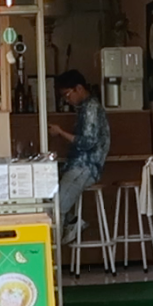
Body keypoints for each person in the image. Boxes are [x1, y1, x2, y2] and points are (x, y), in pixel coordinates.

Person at [49, 70, 111, 243]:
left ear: (79, 88)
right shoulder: (86, 108)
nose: (67, 100)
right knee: (53, 198)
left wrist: (61, 132)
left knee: (56, 208)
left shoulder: (91, 109)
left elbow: (88, 142)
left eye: (67, 95)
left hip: (85, 167)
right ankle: (73, 223)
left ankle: (56, 248)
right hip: (82, 166)